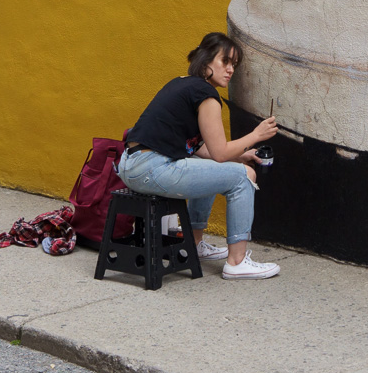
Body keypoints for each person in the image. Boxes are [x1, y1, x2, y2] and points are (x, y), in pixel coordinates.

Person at [118, 32, 280, 279]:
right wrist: (256, 135)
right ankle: (237, 263)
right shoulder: (206, 95)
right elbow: (220, 151)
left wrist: (241, 156)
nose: (230, 70)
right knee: (244, 176)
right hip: (152, 168)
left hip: (133, 164)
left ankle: (193, 245)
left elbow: (207, 152)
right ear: (205, 63)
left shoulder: (182, 84)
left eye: (233, 65)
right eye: (225, 62)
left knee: (213, 164)